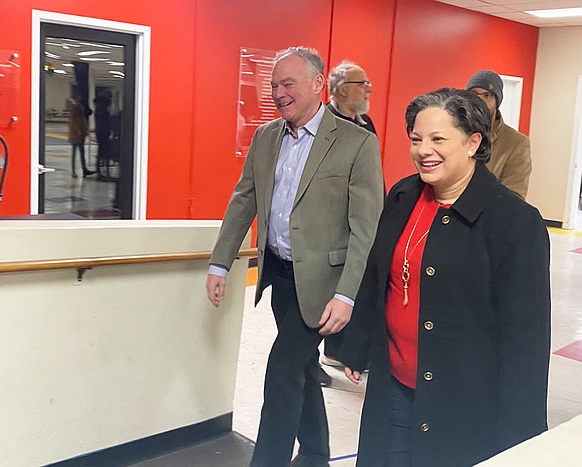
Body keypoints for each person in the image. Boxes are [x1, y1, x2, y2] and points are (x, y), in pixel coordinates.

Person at [339, 88, 550, 466]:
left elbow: (526, 340)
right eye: (416, 139)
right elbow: (378, 277)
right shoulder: (404, 195)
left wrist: (522, 435)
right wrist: (355, 343)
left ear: (472, 143)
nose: (424, 150)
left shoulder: (513, 222)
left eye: (438, 139)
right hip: (394, 390)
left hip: (464, 406)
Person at [206, 46, 384, 467]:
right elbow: (244, 198)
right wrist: (220, 262)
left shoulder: (357, 143)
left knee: (282, 370)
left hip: (326, 286)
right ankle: (317, 452)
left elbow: (366, 228)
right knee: (302, 366)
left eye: (288, 83)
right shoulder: (266, 137)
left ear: (318, 84)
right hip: (281, 279)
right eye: (274, 86)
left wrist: (347, 295)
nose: (279, 94)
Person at [314, 60, 379, 382]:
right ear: (340, 90)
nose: (368, 89)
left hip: (358, 223)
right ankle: (310, 359)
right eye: (361, 83)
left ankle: (340, 350)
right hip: (326, 227)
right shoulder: (323, 123)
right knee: (318, 293)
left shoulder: (366, 124)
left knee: (351, 288)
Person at [466, 70, 532, 199]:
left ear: (497, 101)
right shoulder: (453, 134)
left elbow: (514, 198)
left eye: (487, 95)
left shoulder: (516, 143)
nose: (479, 100)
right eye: (474, 94)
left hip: (487, 216)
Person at [327, 60, 376, 134]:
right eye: (362, 84)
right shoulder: (323, 121)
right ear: (343, 90)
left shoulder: (366, 121)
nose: (369, 90)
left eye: (368, 84)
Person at [67, 95, 94, 178]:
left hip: (77, 133)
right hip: (78, 134)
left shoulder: (76, 108)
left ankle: (79, 170)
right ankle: (80, 170)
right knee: (79, 153)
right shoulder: (76, 109)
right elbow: (77, 122)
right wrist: (80, 131)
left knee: (78, 153)